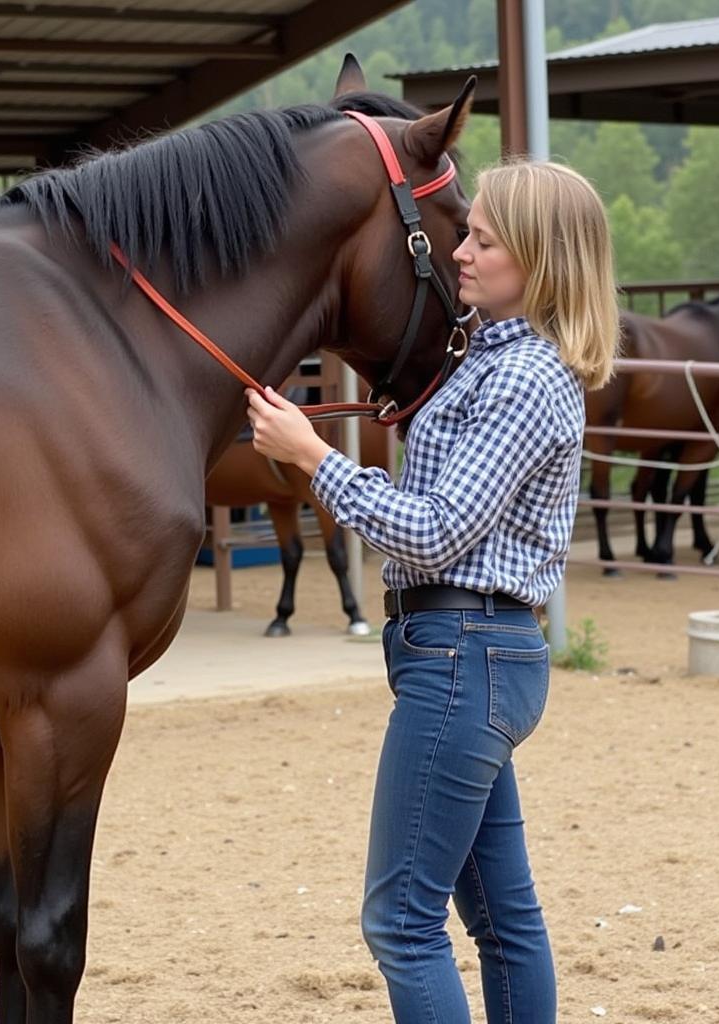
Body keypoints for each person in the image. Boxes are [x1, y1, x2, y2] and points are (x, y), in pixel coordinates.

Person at [245, 160, 617, 1024]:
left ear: (541, 260)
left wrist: (313, 458)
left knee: (402, 923)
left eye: (484, 240)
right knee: (499, 917)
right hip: (471, 656)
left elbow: (435, 530)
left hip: (462, 656)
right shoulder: (492, 361)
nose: (461, 250)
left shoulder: (524, 380)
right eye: (468, 232)